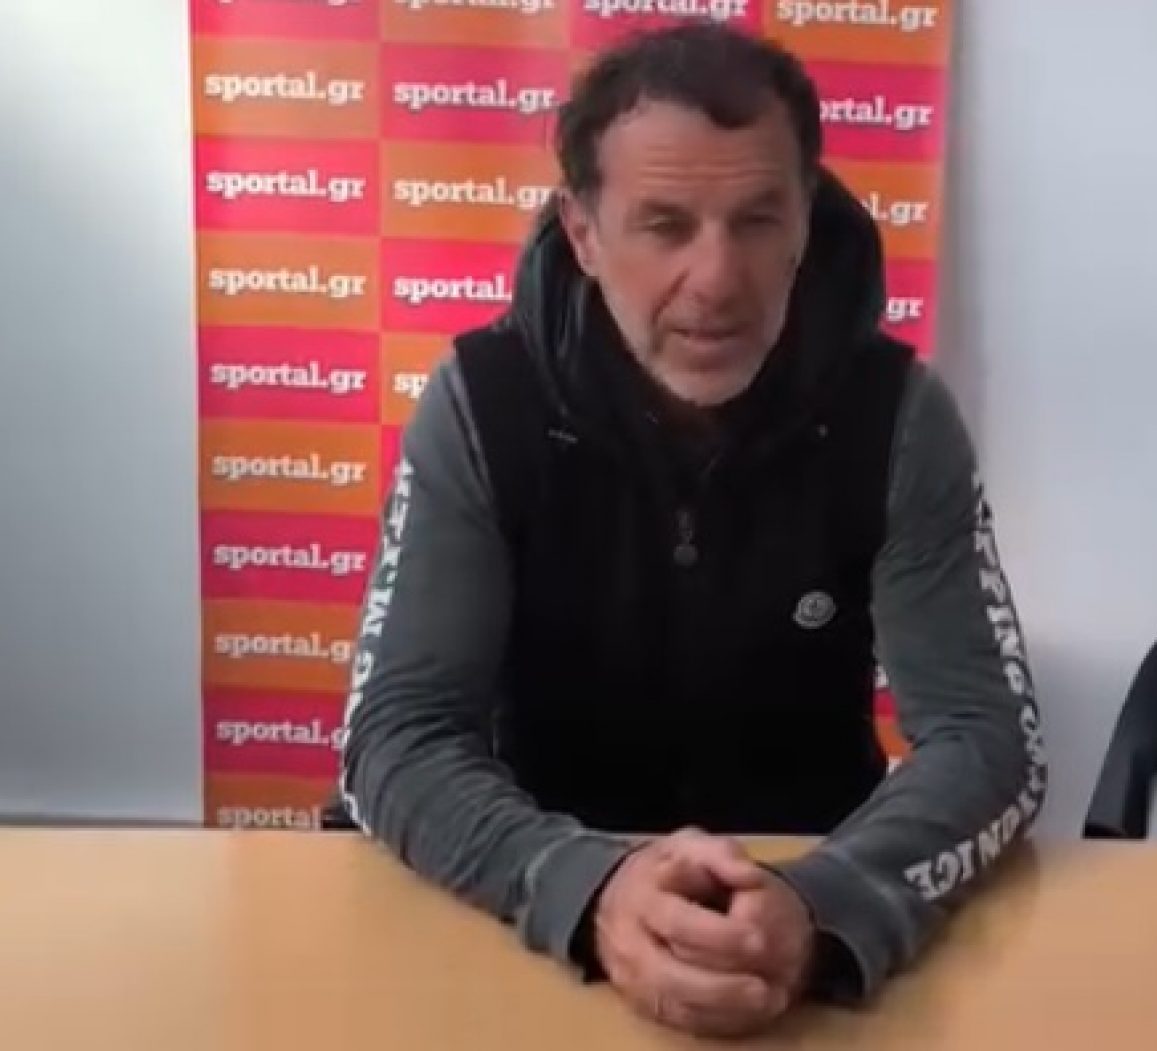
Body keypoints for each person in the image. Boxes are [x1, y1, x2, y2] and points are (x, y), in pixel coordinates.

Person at [334, 22, 1047, 1039]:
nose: (716, 280)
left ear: (805, 221)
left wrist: (824, 900)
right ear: (584, 233)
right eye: (664, 226)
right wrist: (585, 885)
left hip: (807, 922)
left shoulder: (897, 413)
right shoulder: (480, 405)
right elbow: (395, 735)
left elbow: (987, 737)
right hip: (530, 922)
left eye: (757, 220)